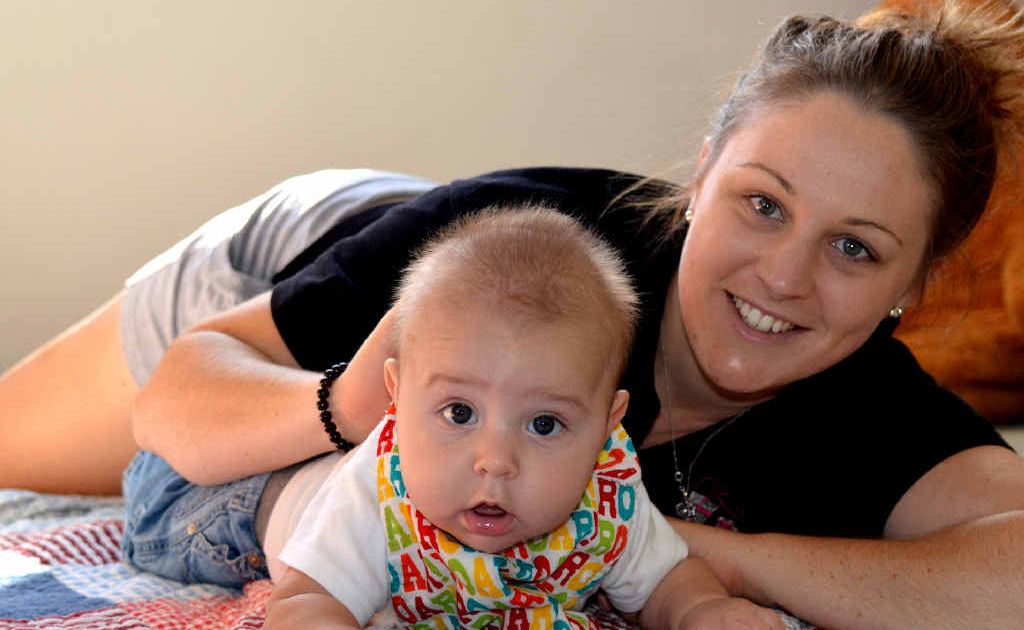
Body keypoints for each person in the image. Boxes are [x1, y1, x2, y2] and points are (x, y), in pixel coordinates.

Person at [3, 1, 1024, 628]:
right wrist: (353, 408)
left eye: (853, 248)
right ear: (702, 176)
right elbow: (178, 395)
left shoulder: (871, 403)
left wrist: (680, 550)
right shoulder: (520, 235)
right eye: (761, 204)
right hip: (315, 266)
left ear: (911, 283)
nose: (785, 278)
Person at [263, 206, 785, 629]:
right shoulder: (376, 491)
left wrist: (703, 611)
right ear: (396, 400)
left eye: (543, 425)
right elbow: (304, 601)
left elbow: (667, 579)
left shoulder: (607, 496)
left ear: (608, 426)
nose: (495, 461)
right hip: (281, 496)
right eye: (460, 412)